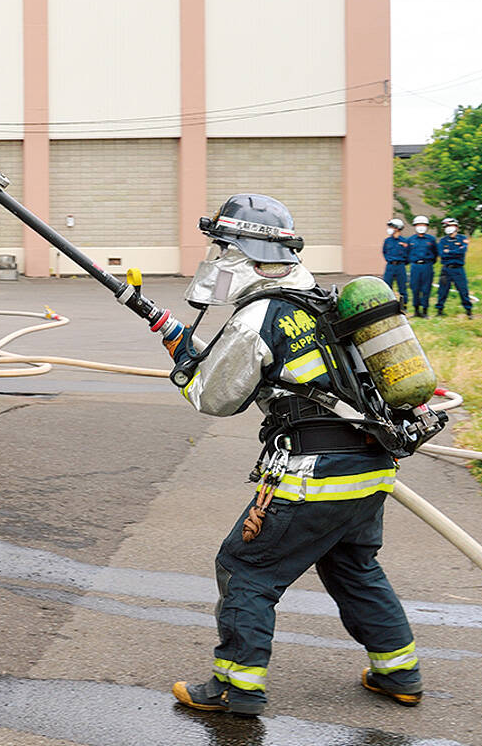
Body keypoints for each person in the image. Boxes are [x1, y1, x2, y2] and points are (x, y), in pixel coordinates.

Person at [164, 194, 423, 716]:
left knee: (246, 568)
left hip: (312, 475)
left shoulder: (259, 315)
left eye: (221, 247)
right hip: (370, 469)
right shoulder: (325, 302)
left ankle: (236, 686)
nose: (215, 257)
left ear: (239, 253)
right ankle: (399, 672)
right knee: (353, 565)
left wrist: (186, 362)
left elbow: (213, 398)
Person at [435, 218, 473, 319]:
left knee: (463, 290)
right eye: (445, 227)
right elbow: (442, 254)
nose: (447, 228)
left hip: (458, 269)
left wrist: (449, 251)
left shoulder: (462, 238)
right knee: (442, 290)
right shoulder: (443, 240)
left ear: (456, 227)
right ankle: (439, 310)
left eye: (449, 226)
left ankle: (468, 311)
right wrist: (454, 251)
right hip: (446, 269)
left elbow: (462, 251)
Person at [405, 216, 438, 318]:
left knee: (426, 289)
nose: (421, 227)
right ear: (415, 226)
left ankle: (425, 311)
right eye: (419, 225)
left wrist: (428, 262)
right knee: (415, 288)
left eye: (423, 225)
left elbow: (435, 254)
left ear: (427, 226)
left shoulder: (431, 240)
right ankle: (416, 310)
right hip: (415, 267)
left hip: (427, 266)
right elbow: (407, 253)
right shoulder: (410, 240)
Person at [381, 218, 409, 308]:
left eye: (392, 227)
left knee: (402, 287)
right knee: (387, 287)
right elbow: (384, 252)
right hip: (390, 266)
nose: (390, 228)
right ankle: (388, 305)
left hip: (400, 266)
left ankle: (403, 306)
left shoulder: (405, 241)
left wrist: (402, 262)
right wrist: (390, 260)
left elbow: (408, 254)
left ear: (397, 228)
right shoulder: (387, 241)